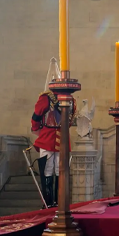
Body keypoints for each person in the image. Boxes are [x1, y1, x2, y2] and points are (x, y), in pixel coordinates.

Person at [31, 79, 76, 207]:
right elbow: (70, 121)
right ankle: (60, 202)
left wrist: (36, 129)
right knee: (60, 170)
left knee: (47, 170)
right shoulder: (71, 100)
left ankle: (48, 203)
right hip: (63, 139)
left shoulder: (45, 98)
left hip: (47, 138)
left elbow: (36, 116)